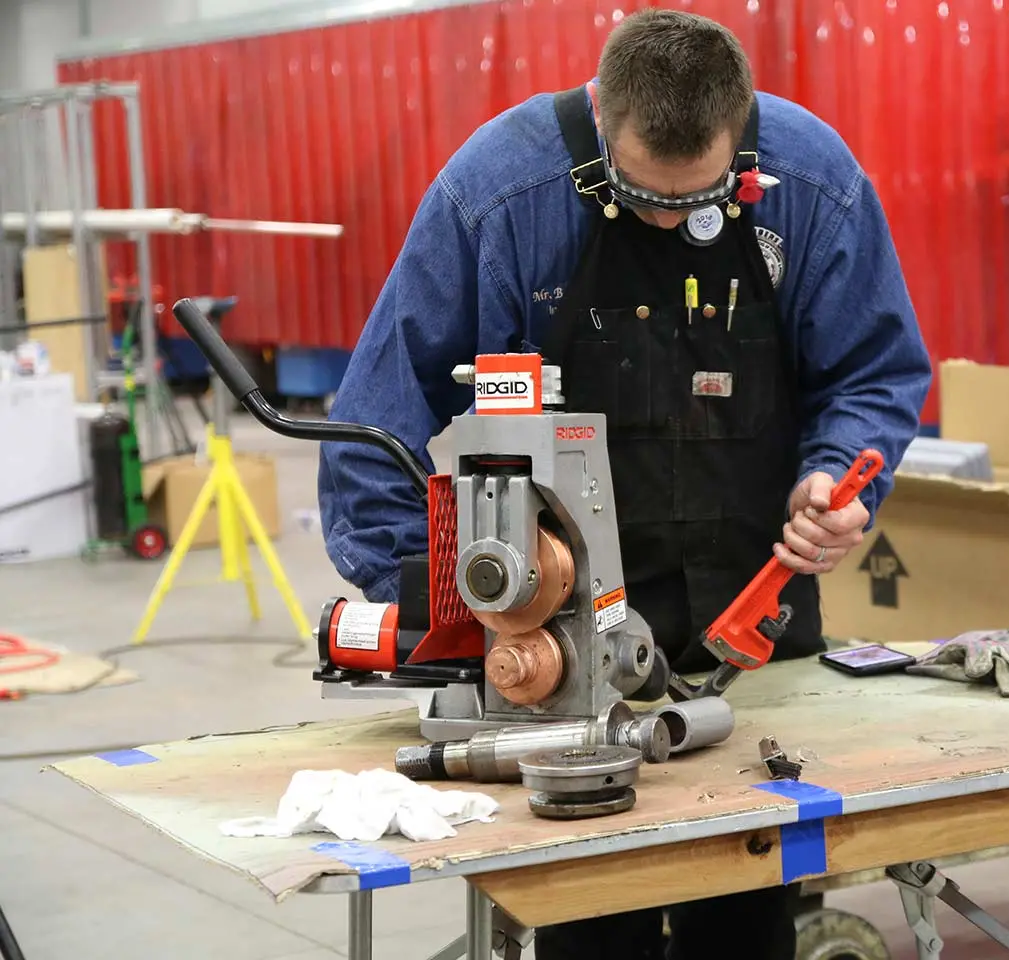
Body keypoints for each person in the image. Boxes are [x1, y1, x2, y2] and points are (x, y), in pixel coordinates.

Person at [317, 9, 931, 959]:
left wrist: (836, 480)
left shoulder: (813, 183)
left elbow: (875, 372)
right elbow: (373, 425)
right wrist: (435, 605)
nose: (668, 221)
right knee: (589, 925)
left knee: (747, 916)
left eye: (703, 199)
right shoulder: (500, 192)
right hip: (556, 659)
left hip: (750, 639)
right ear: (603, 115)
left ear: (745, 128)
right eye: (637, 193)